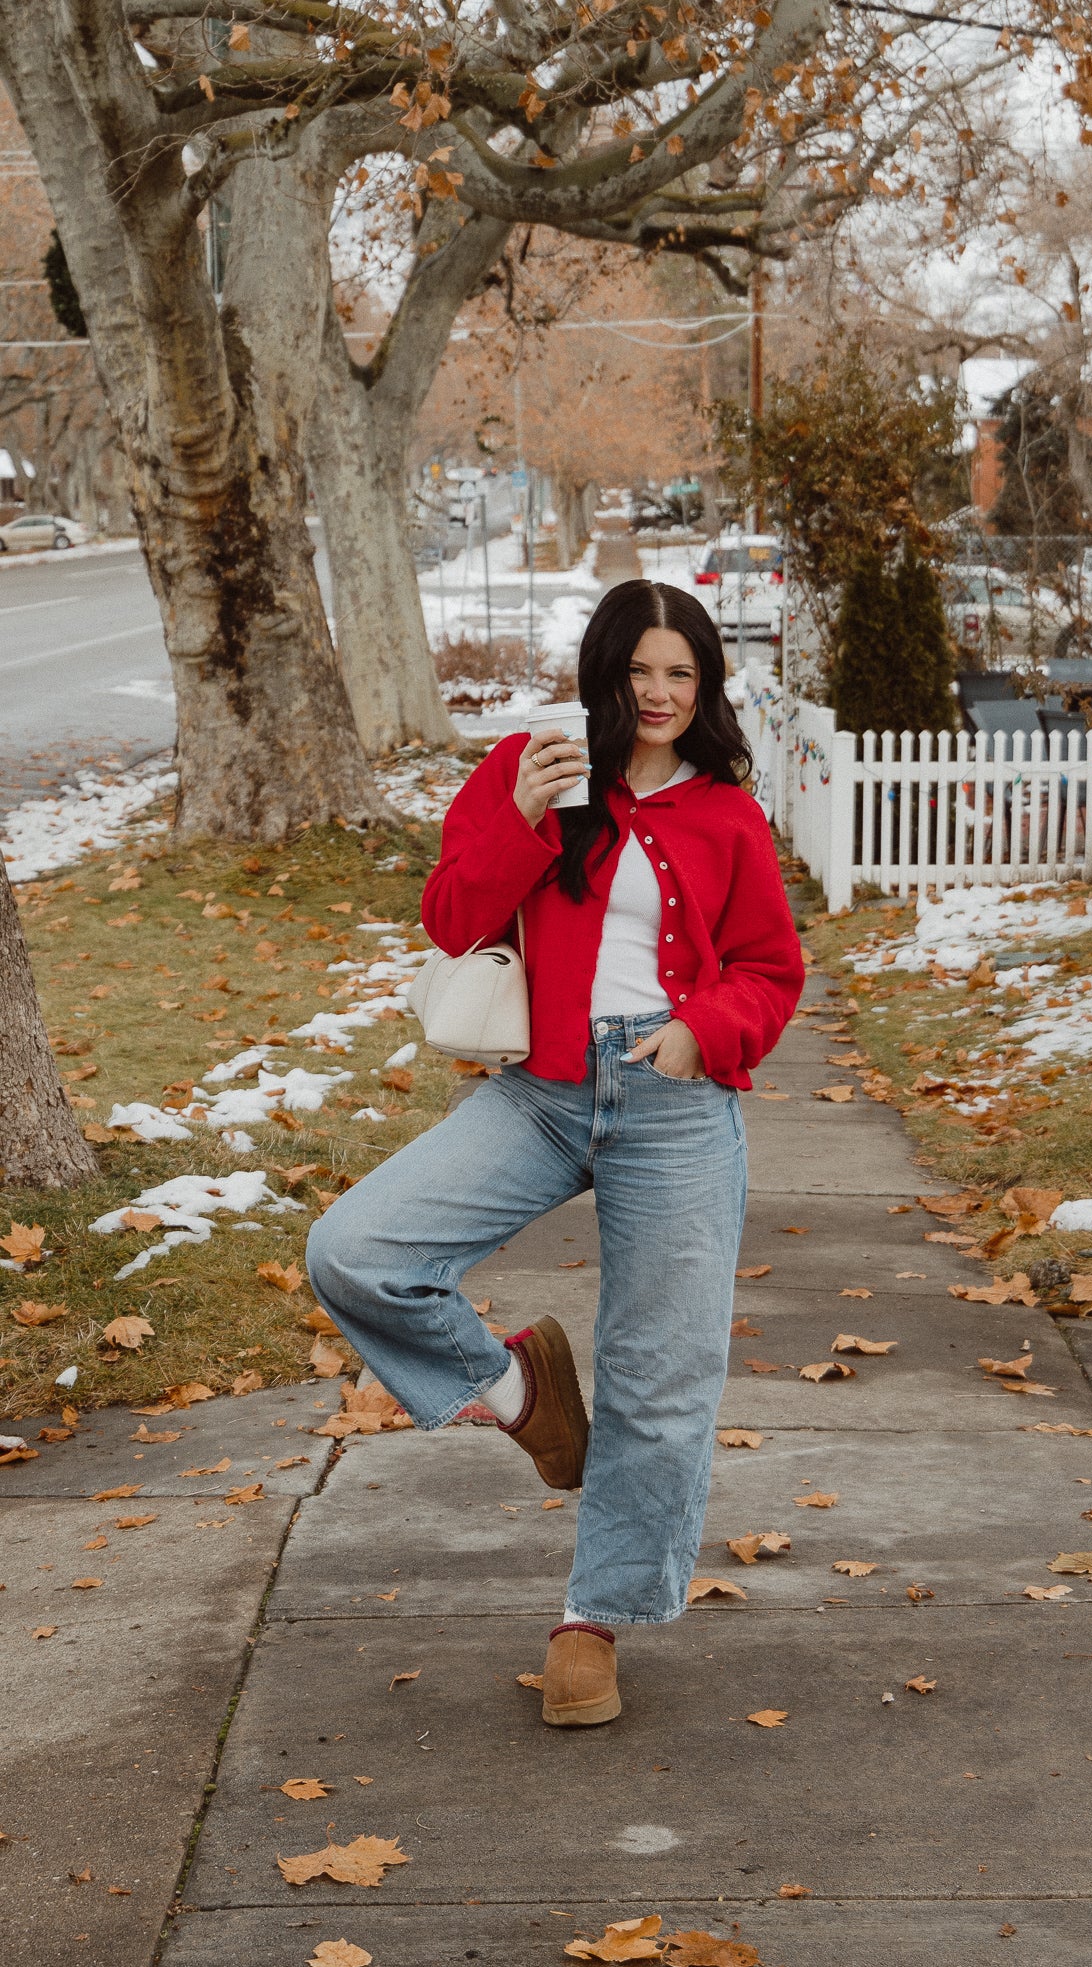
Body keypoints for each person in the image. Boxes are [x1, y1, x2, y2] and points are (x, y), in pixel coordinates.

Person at [306, 579, 804, 1727]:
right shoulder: (534, 767)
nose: (662, 694)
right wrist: (519, 820)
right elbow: (450, 918)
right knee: (356, 1247)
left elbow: (770, 970)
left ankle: (593, 1620)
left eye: (682, 674)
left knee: (661, 1377)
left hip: (672, 1098)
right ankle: (518, 1387)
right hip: (538, 1090)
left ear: (705, 685)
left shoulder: (727, 811)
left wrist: (700, 1034)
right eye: (641, 672)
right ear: (605, 673)